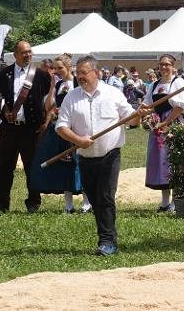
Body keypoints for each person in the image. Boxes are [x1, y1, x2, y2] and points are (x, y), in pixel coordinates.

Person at [56, 55, 151, 256]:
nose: (80, 76)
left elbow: (131, 120)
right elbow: (61, 126)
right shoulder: (71, 97)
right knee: (94, 198)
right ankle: (107, 237)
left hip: (110, 155)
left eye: (84, 72)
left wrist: (138, 114)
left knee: (106, 196)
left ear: (96, 73)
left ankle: (107, 240)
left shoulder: (113, 94)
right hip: (85, 156)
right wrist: (79, 140)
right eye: (77, 73)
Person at [0, 41, 52, 213]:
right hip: (9, 129)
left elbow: (48, 103)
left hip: (31, 129)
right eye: (24, 52)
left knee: (31, 166)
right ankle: (1, 204)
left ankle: (33, 202)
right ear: (15, 54)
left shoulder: (41, 75)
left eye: (30, 52)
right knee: (4, 167)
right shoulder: (3, 75)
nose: (28, 55)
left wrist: (46, 123)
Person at [32, 55, 90, 213]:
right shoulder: (57, 84)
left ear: (68, 67)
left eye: (60, 68)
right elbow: (49, 106)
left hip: (77, 128)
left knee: (80, 163)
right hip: (61, 128)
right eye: (55, 68)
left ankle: (86, 203)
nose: (57, 71)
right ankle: (69, 205)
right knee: (63, 164)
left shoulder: (78, 83)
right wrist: (52, 87)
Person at [143, 54, 184, 211]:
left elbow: (180, 107)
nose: (164, 67)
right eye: (161, 64)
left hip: (173, 125)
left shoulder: (179, 83)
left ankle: (176, 202)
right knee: (160, 162)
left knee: (174, 161)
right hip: (158, 127)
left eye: (167, 64)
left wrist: (166, 122)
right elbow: (147, 104)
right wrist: (147, 115)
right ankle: (164, 202)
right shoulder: (155, 85)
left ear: (173, 66)